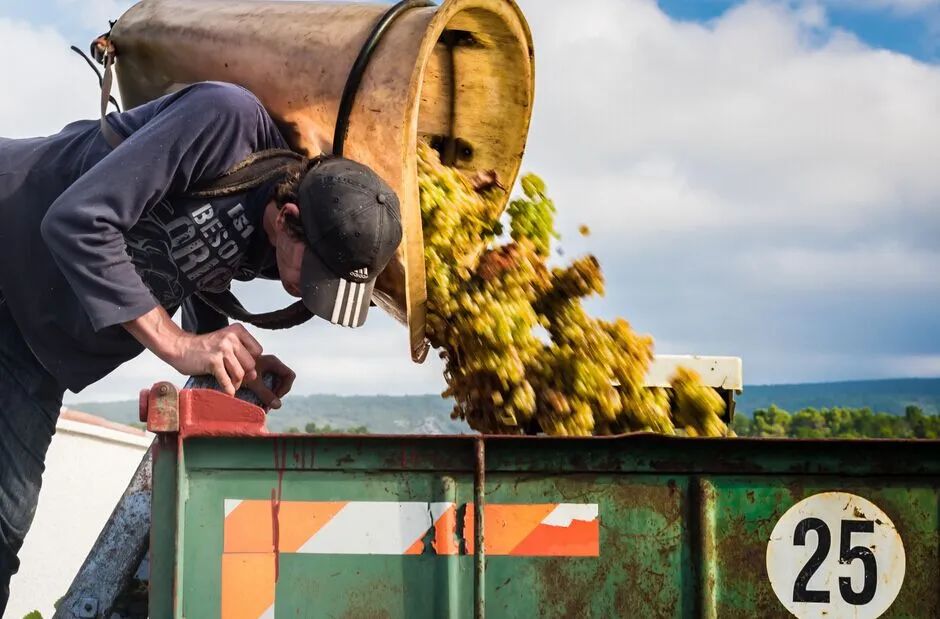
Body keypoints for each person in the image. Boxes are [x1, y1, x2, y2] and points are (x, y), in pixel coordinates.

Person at [0, 80, 403, 611]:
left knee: (3, 532)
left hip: (35, 346)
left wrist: (234, 361)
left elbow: (194, 260)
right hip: (11, 249)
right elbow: (79, 221)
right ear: (289, 221)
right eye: (315, 278)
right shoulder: (223, 122)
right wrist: (180, 344)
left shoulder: (267, 243)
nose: (308, 294)